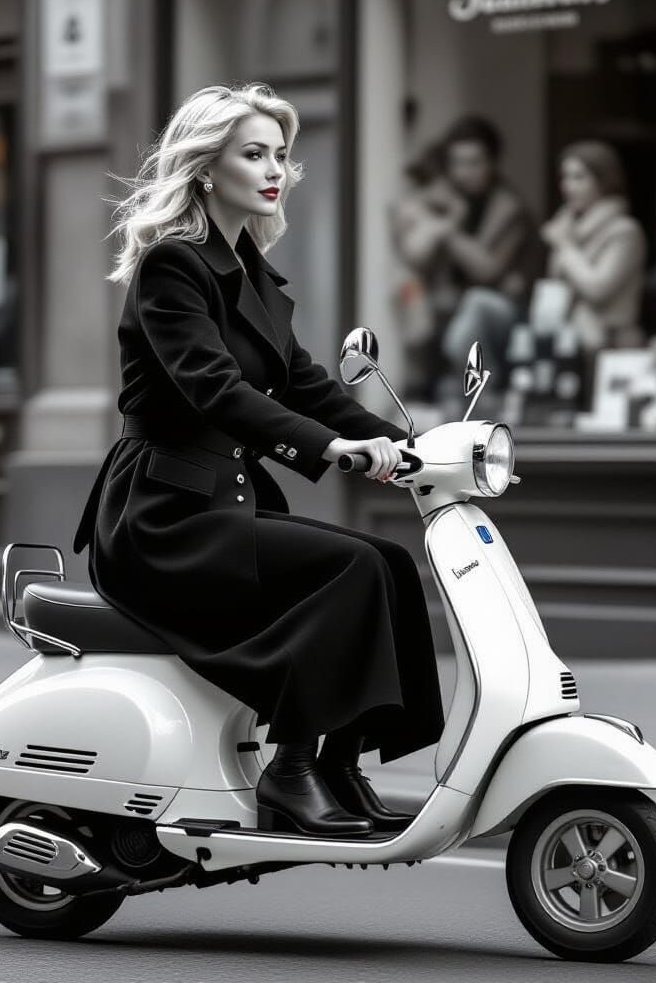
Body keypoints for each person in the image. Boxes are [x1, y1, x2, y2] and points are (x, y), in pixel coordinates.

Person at [72, 83, 445, 839]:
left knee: (391, 564)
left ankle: (341, 763)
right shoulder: (173, 268)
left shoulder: (255, 277)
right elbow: (216, 389)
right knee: (350, 569)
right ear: (207, 168)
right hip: (162, 514)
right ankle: (291, 769)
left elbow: (305, 381)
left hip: (221, 502)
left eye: (280, 154)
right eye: (253, 154)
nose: (274, 169)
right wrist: (331, 449)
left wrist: (407, 447)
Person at [389, 115, 539, 409]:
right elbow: (414, 256)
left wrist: (450, 226)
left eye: (474, 163)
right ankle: (422, 387)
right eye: (457, 163)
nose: (464, 172)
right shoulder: (440, 199)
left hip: (503, 315)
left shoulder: (509, 207)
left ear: (493, 162)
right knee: (406, 287)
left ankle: (479, 396)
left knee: (475, 305)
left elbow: (487, 270)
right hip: (448, 311)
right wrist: (442, 221)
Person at [541, 140, 646, 405]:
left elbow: (599, 288)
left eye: (579, 177)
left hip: (610, 347)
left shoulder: (625, 232)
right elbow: (555, 289)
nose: (568, 186)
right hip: (567, 345)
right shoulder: (566, 228)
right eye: (565, 177)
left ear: (603, 180)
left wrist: (565, 247)